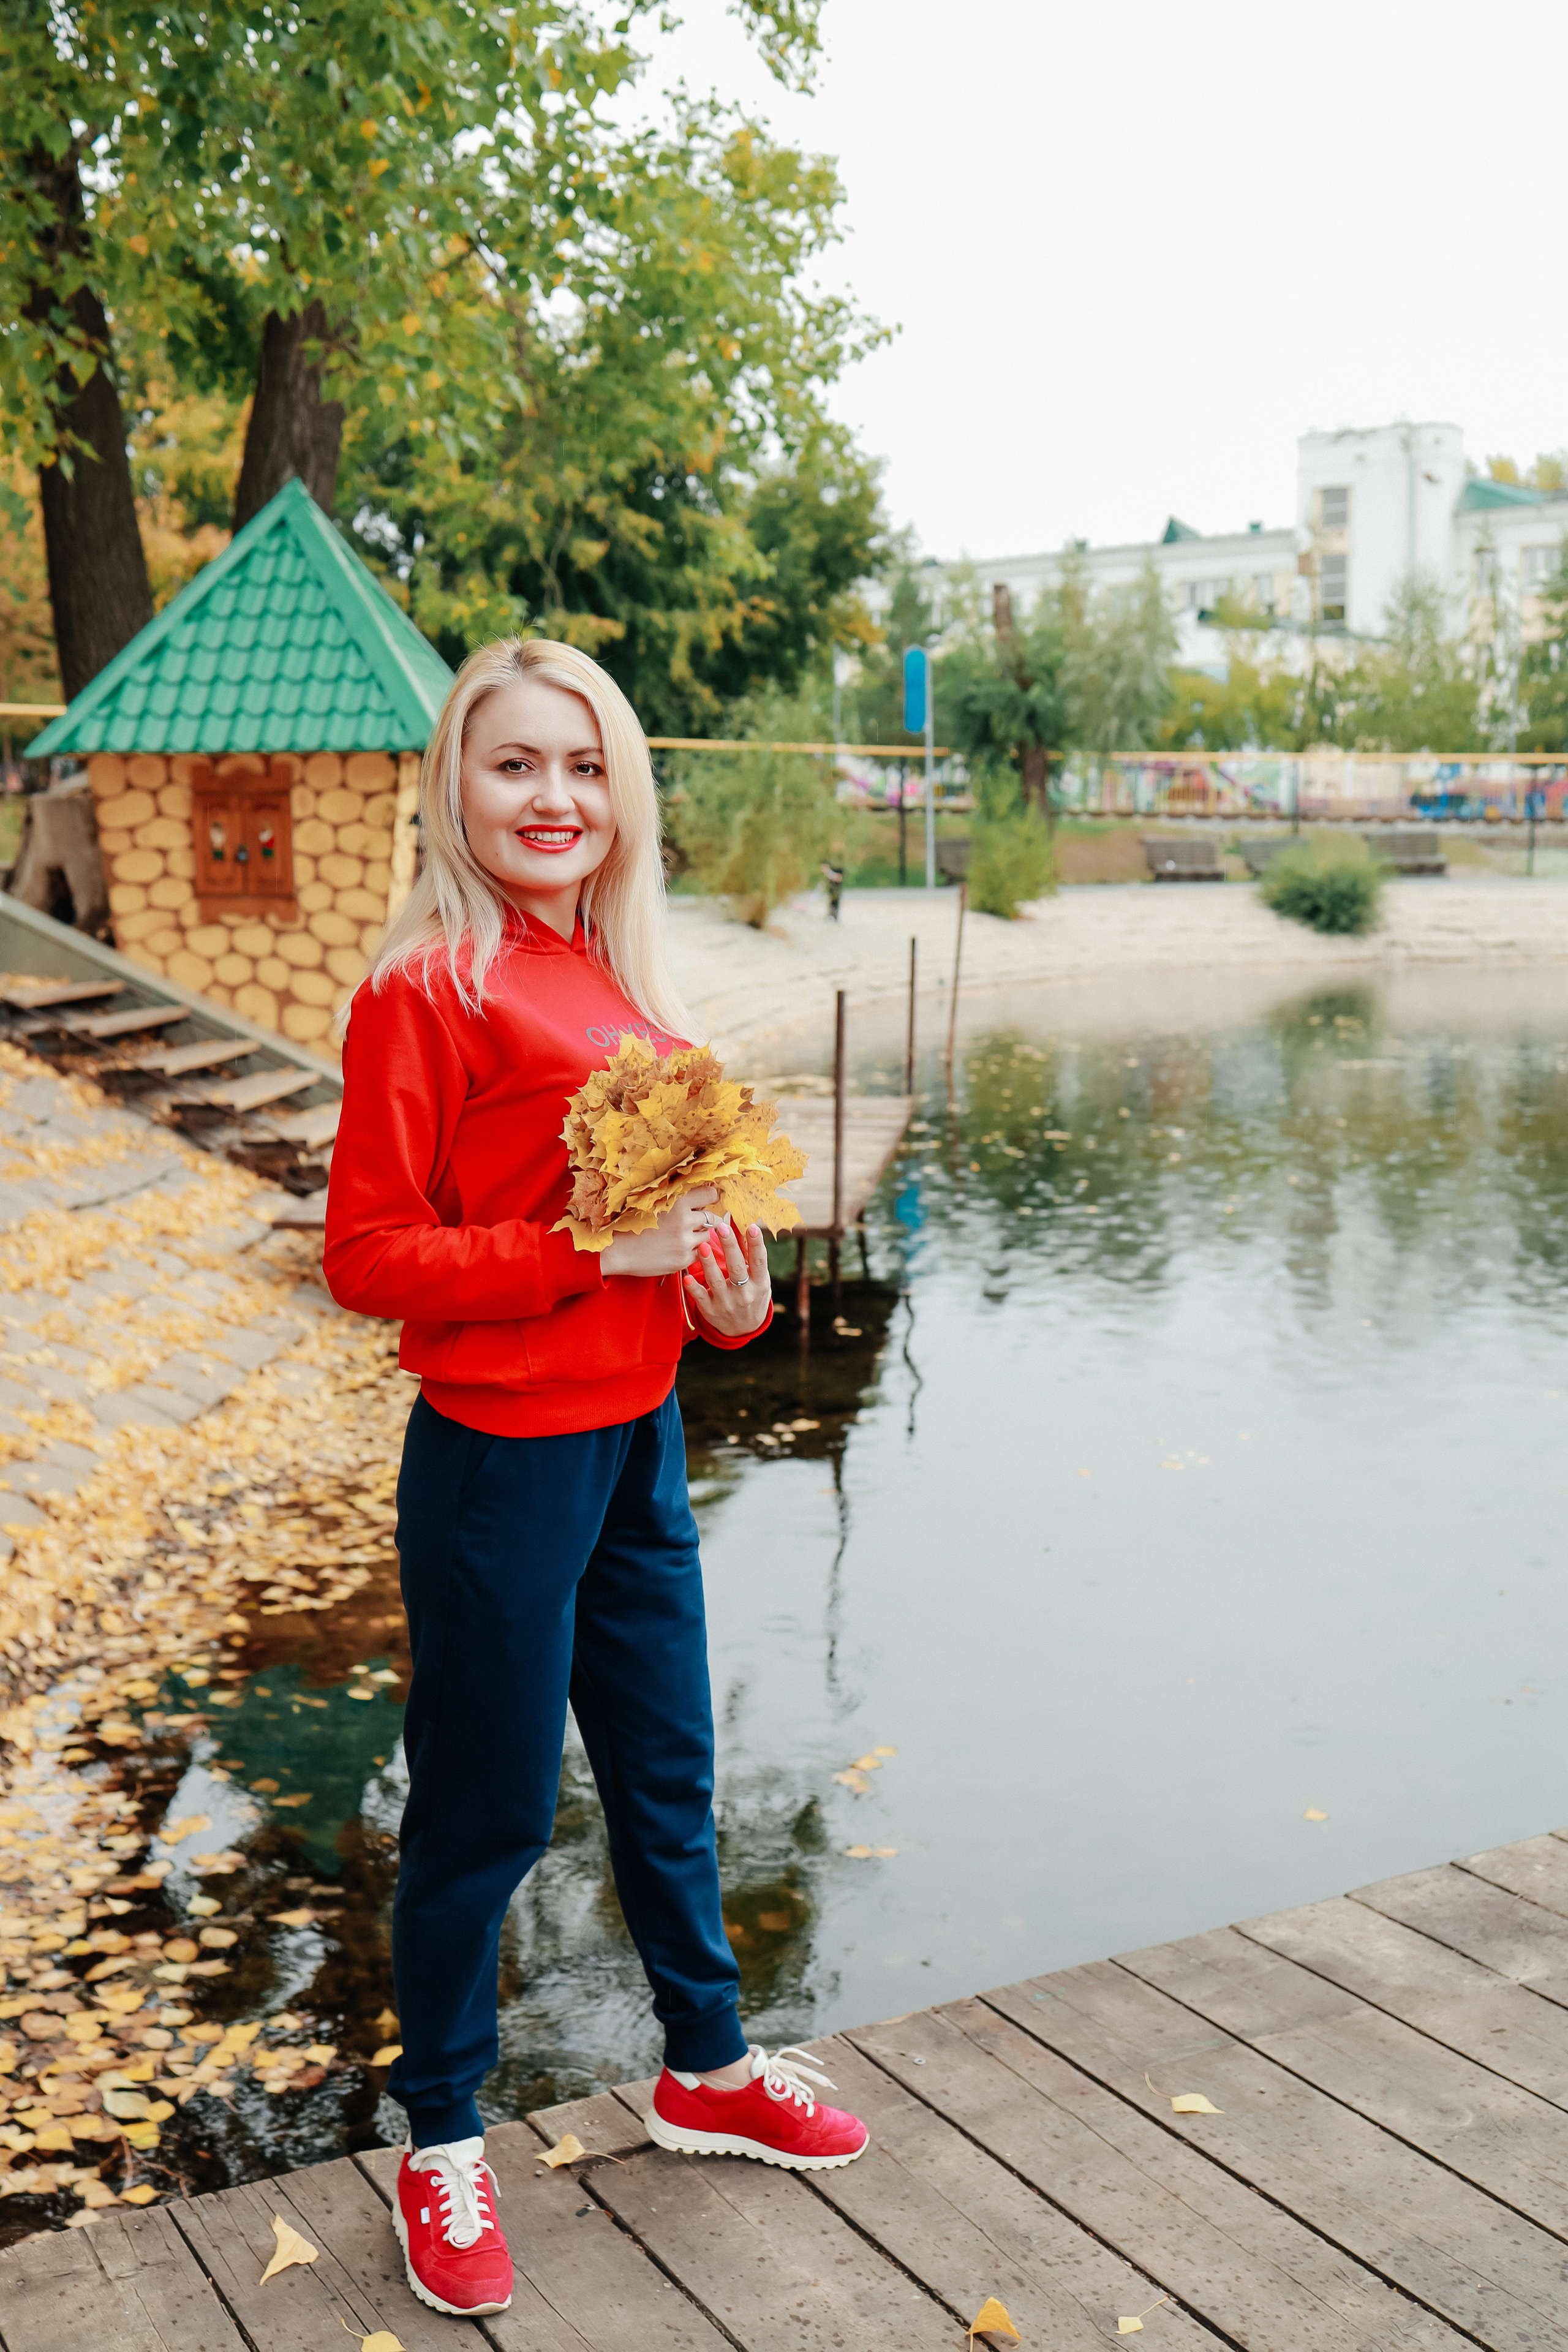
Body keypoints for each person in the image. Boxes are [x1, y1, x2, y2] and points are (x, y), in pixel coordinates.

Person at [324, 639, 867, 2321]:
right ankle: (440, 2142)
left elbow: (679, 1244)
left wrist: (727, 1297)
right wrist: (581, 1251)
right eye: (515, 766)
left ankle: (705, 2065)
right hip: (498, 1459)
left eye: (582, 767)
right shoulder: (427, 988)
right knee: (485, 1813)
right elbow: (367, 1254)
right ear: (457, 787)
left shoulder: (625, 988)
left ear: (620, 794)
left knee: (669, 1768)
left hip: (636, 1439)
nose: (552, 797)